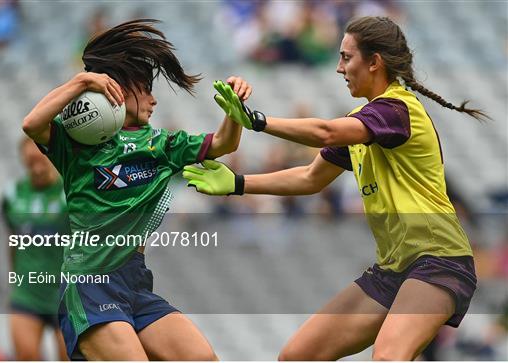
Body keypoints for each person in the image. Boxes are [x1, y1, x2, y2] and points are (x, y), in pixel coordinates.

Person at [183, 16, 487, 360]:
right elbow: (311, 177)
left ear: (374, 62)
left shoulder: (396, 109)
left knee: (388, 356)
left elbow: (327, 132)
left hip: (440, 261)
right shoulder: (364, 121)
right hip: (393, 269)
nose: (339, 68)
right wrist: (238, 183)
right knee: (297, 356)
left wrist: (256, 121)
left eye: (346, 57)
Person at [22, 18, 251, 360]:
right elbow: (31, 123)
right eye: (146, 87)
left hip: (135, 284)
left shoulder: (161, 144)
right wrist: (83, 80)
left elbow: (223, 144)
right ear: (118, 88)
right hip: (90, 284)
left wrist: (236, 110)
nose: (153, 99)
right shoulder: (78, 144)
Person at [1, 137, 68, 360]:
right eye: (30, 161)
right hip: (27, 294)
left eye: (40, 158)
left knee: (69, 355)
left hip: (65, 295)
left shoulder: (69, 191)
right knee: (26, 356)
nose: (36, 165)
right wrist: (14, 279)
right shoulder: (13, 194)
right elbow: (13, 240)